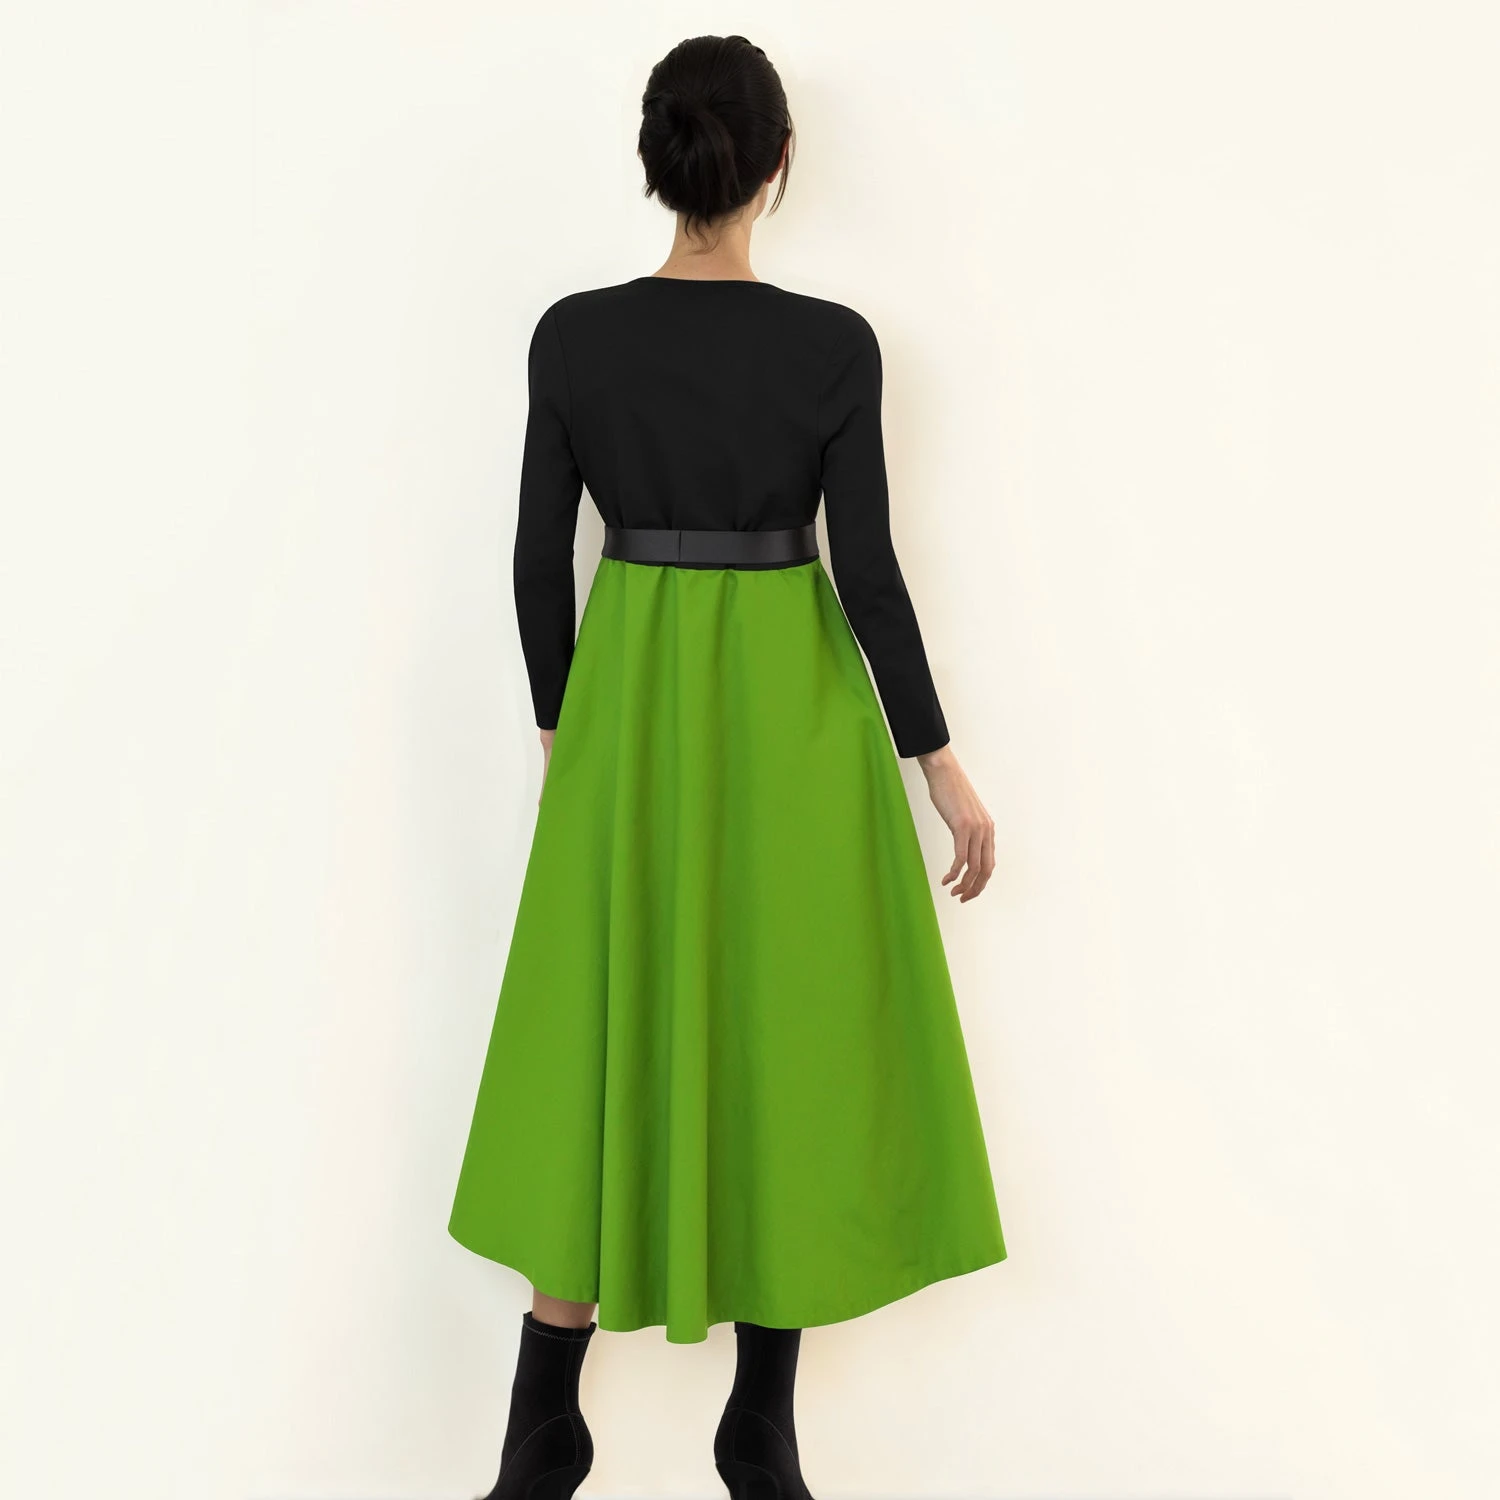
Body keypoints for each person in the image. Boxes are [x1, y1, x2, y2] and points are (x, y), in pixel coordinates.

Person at [447, 33, 1007, 1500]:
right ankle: (761, 1420)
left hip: (630, 706)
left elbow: (537, 557)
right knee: (786, 1025)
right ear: (775, 167)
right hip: (792, 714)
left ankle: (541, 1421)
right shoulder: (832, 346)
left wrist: (569, 725)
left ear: (657, 160)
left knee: (600, 1027)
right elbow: (866, 570)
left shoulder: (574, 337)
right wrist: (936, 762)